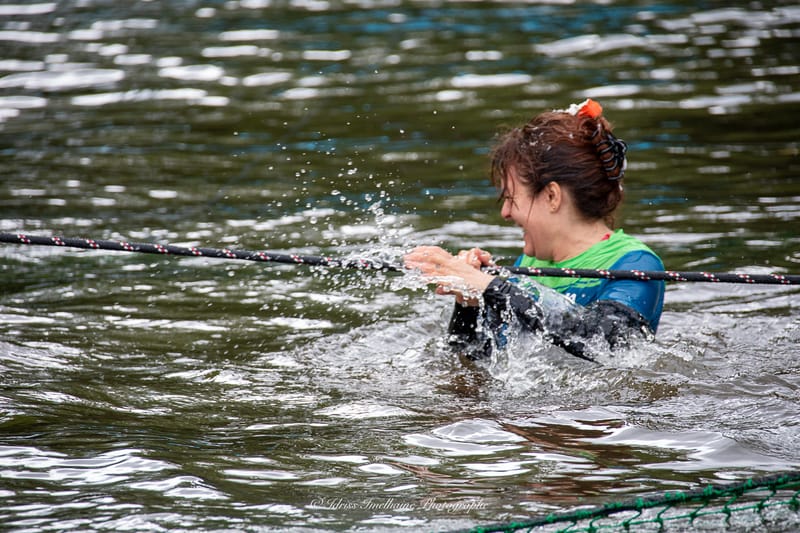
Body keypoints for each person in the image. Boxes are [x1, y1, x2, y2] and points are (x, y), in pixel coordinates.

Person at [404, 99, 664, 361]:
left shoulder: (636, 263)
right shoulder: (529, 263)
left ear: (551, 196)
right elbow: (477, 368)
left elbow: (606, 341)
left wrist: (491, 287)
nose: (505, 213)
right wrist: (470, 302)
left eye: (511, 198)